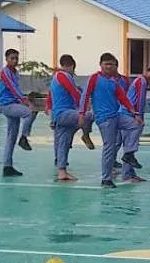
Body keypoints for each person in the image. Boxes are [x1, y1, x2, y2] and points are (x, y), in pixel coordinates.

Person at [79, 53, 140, 188]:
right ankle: (106, 178)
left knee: (136, 125)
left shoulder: (114, 81)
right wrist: (82, 113)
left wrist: (133, 112)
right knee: (109, 147)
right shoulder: (94, 78)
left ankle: (129, 153)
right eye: (106, 64)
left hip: (116, 116)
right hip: (104, 118)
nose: (109, 66)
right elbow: (85, 95)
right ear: (100, 65)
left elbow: (123, 98)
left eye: (111, 64)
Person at [47, 54, 89, 183]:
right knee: (89, 116)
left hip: (60, 113)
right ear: (71, 66)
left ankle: (62, 171)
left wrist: (49, 110)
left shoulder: (57, 77)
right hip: (64, 113)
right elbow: (74, 93)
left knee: (63, 142)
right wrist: (82, 109)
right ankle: (85, 134)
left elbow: (51, 94)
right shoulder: (63, 76)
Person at [116, 64, 150, 183]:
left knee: (129, 145)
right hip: (128, 114)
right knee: (129, 146)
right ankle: (126, 175)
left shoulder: (140, 80)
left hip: (128, 113)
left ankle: (130, 173)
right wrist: (138, 115)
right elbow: (140, 100)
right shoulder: (142, 81)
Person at [0, 48, 35, 177]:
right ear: (6, 59)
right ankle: (24, 138)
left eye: (16, 58)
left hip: (13, 103)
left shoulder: (15, 73)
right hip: (7, 105)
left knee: (11, 138)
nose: (15, 61)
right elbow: (12, 88)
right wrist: (23, 100)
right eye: (12, 58)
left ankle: (7, 166)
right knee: (29, 113)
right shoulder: (5, 72)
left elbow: (17, 88)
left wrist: (23, 97)